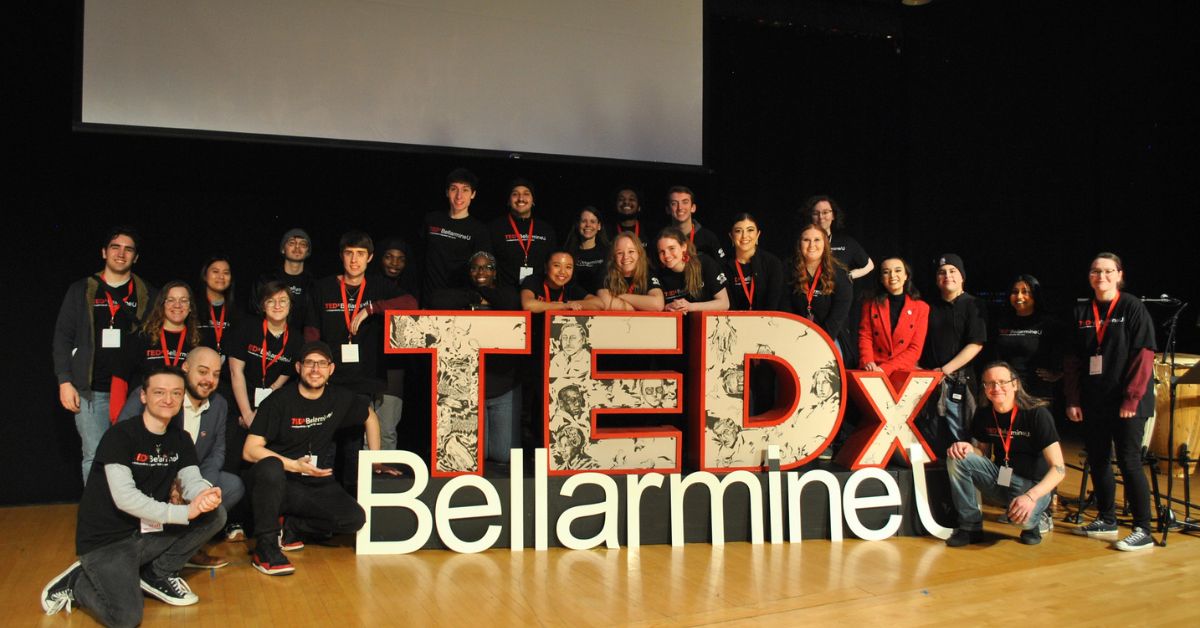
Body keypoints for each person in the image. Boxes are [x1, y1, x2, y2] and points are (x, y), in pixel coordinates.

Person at [40, 367, 225, 623]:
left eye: (175, 393)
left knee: (215, 514)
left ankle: (156, 574)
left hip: (147, 533)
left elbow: (191, 481)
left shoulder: (180, 438)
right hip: (108, 543)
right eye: (159, 392)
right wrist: (184, 512)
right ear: (143, 396)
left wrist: (204, 494)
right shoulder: (120, 436)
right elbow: (125, 497)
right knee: (126, 618)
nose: (168, 399)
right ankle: (77, 583)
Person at [242, 341, 397, 575]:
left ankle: (293, 526)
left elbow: (370, 416)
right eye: (309, 363)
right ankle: (265, 547)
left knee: (353, 519)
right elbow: (250, 449)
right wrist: (293, 465)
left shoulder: (339, 397)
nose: (315, 369)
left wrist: (375, 460)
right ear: (298, 367)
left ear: (331, 369)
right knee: (271, 466)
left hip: (314, 481)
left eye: (322, 364)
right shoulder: (278, 401)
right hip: (277, 484)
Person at [116, 347, 244, 567]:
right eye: (203, 372)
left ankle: (186, 547)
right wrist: (167, 484)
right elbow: (121, 442)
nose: (209, 380)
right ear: (185, 368)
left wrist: (201, 489)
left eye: (215, 374)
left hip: (190, 478)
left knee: (232, 486)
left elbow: (217, 453)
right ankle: (148, 546)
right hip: (151, 475)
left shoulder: (219, 405)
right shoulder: (160, 397)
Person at [1064, 252, 1157, 551]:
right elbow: (1073, 360)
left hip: (1129, 401)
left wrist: (1131, 398)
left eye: (1107, 271)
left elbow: (1144, 356)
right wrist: (1074, 398)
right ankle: (1107, 519)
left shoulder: (1132, 307)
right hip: (1095, 400)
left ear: (1119, 275)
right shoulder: (1081, 311)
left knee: (1129, 461)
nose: (1100, 277)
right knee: (1098, 459)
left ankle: (1143, 528)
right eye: (1095, 271)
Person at [53, 226, 155, 482]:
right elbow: (63, 337)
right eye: (115, 247)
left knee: (134, 455)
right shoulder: (82, 290)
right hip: (91, 391)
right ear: (103, 252)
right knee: (95, 456)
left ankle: (130, 518)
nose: (121, 254)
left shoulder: (147, 294)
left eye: (128, 249)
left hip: (134, 391)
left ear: (136, 258)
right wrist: (65, 381)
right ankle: (97, 520)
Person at [305, 231, 417, 459]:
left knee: (354, 443)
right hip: (330, 377)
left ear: (370, 257)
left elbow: (411, 303)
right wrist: (314, 368)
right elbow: (312, 332)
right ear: (341, 256)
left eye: (360, 254)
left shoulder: (378, 286)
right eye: (349, 254)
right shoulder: (323, 287)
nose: (354, 260)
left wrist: (371, 309)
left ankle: (352, 492)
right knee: (326, 440)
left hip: (363, 377)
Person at [944, 362, 1065, 547]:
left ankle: (1034, 522)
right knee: (958, 458)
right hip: (1002, 478)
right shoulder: (984, 413)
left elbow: (1059, 469)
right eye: (990, 383)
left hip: (1031, 486)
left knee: (1022, 519)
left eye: (1002, 382)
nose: (996, 388)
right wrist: (967, 448)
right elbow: (981, 453)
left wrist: (1031, 496)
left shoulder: (1037, 414)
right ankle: (970, 527)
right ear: (984, 388)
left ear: (1015, 384)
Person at [225, 280, 303, 540]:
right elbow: (236, 371)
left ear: (290, 305)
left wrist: (263, 413)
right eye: (271, 301)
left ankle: (260, 522)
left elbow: (281, 380)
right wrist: (247, 413)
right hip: (239, 403)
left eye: (283, 301)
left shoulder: (296, 339)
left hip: (268, 406)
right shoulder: (247, 328)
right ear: (262, 305)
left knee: (264, 465)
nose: (277, 306)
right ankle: (232, 522)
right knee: (235, 461)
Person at [432, 252, 524, 463]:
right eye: (475, 268)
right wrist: (475, 296)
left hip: (503, 386)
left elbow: (511, 302)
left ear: (495, 272)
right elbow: (436, 300)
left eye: (487, 267)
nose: (481, 272)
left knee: (503, 454)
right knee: (475, 454)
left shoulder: (505, 293)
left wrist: (484, 292)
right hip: (469, 391)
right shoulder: (460, 295)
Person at [919, 254, 987, 452]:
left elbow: (976, 344)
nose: (947, 275)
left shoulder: (974, 305)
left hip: (959, 383)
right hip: (931, 382)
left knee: (963, 441)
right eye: (941, 272)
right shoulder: (928, 306)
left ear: (962, 276)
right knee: (933, 439)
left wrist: (945, 370)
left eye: (952, 271)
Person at [112, 281, 201, 421]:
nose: (177, 305)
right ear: (162, 305)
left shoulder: (197, 342)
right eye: (170, 300)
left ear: (190, 307)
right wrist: (117, 417)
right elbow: (120, 377)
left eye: (184, 300)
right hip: (141, 413)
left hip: (182, 415)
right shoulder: (142, 337)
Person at [990, 274, 1064, 402]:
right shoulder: (1001, 322)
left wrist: (1059, 373)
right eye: (1015, 292)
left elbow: (1068, 350)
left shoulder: (1049, 323)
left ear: (1035, 295)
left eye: (1025, 292)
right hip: (1006, 389)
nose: (1019, 296)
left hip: (1037, 391)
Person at [421, 168, 492, 302]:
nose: (459, 196)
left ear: (473, 194)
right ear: (447, 192)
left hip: (460, 302)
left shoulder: (479, 230)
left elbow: (483, 271)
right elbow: (420, 258)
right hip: (429, 300)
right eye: (454, 189)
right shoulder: (432, 220)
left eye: (465, 190)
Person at [859, 257, 929, 375]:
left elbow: (915, 349)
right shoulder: (870, 304)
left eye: (898, 270)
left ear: (906, 275)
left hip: (903, 371)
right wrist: (868, 361)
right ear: (881, 279)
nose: (892, 275)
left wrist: (886, 368)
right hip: (873, 369)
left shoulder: (921, 308)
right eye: (886, 272)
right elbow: (865, 336)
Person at [786, 224, 852, 346]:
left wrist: (817, 343)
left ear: (825, 244)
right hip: (795, 337)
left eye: (817, 240)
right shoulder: (788, 272)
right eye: (806, 240)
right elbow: (786, 311)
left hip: (828, 337)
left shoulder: (840, 275)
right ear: (799, 244)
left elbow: (836, 319)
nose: (812, 245)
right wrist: (797, 340)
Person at [489, 178, 558, 289]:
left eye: (526, 194)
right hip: (505, 292)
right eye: (515, 194)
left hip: (538, 292)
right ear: (508, 200)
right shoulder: (495, 227)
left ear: (533, 200)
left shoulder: (546, 229)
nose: (521, 198)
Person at [656, 227, 729, 312]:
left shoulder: (705, 263)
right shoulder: (660, 275)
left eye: (671, 248)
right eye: (661, 251)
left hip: (706, 323)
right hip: (677, 324)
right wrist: (667, 307)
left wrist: (690, 307)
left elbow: (724, 303)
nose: (667, 255)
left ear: (683, 247)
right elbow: (660, 307)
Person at [254, 229, 315, 328]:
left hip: (302, 340)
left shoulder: (314, 284)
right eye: (291, 243)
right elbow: (254, 311)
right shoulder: (266, 280)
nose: (297, 247)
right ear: (283, 249)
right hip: (268, 338)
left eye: (303, 244)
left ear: (307, 252)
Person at [804, 195, 874, 281]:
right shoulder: (804, 242)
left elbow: (870, 265)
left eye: (825, 212)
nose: (821, 217)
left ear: (833, 215)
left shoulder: (846, 242)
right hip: (810, 291)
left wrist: (849, 276)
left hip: (839, 293)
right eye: (815, 213)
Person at [725, 213, 784, 311]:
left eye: (750, 230)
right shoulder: (723, 266)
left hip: (766, 323)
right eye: (738, 231)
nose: (744, 236)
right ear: (731, 236)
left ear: (758, 235)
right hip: (733, 324)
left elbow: (774, 304)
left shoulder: (772, 263)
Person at [594, 232, 665, 312]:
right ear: (613, 257)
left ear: (639, 253)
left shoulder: (647, 274)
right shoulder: (606, 275)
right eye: (620, 253)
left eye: (631, 251)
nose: (626, 257)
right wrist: (642, 307)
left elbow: (658, 304)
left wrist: (620, 296)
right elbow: (605, 302)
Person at [664, 186, 726, 263]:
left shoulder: (708, 238)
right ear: (668, 210)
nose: (680, 208)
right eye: (674, 203)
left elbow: (722, 267)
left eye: (685, 202)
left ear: (693, 208)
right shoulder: (661, 240)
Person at [520, 251, 595, 312]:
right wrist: (564, 306)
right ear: (546, 267)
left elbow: (599, 303)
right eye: (556, 265)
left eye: (568, 267)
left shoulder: (570, 286)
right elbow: (528, 305)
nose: (562, 272)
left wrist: (572, 304)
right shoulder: (533, 280)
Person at [562, 206, 610, 294]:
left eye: (592, 221)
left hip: (601, 302)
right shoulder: (567, 253)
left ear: (599, 226)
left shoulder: (608, 252)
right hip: (575, 303)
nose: (588, 225)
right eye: (584, 221)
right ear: (578, 224)